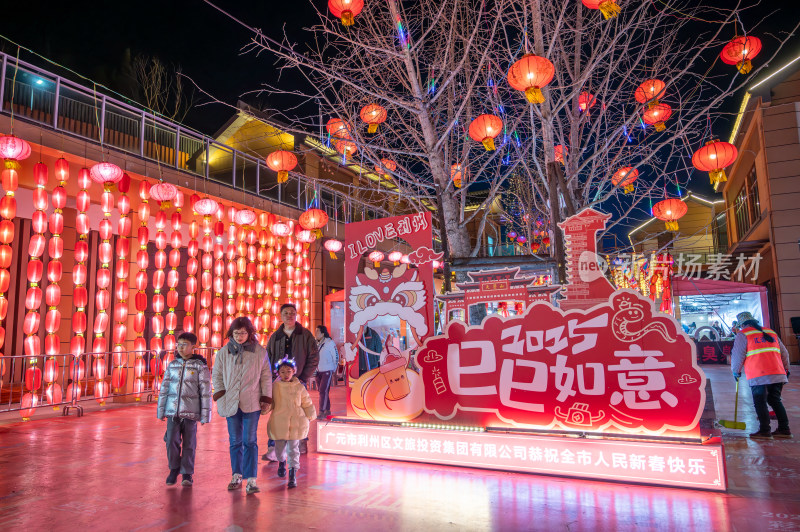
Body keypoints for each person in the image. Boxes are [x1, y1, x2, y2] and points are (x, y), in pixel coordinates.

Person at [211, 317, 273, 494]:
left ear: (250, 333)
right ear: (231, 333)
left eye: (243, 333)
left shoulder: (260, 352)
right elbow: (217, 373)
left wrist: (266, 398)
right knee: (235, 441)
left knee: (250, 440)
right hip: (231, 401)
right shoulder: (224, 352)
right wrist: (220, 391)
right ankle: (236, 475)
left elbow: (266, 376)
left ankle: (251, 479)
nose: (240, 336)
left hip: (251, 402)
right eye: (236, 333)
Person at [263, 303, 319, 459]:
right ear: (281, 316)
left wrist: (303, 378)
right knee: (278, 412)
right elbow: (268, 358)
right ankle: (273, 447)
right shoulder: (275, 336)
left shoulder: (305, 335)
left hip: (298, 380)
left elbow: (314, 357)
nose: (289, 315)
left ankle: (301, 441)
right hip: (279, 381)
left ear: (296, 315)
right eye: (286, 313)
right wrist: (273, 376)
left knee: (299, 410)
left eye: (292, 313)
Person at [157, 332, 211, 487]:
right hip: (172, 412)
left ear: (193, 346)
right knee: (171, 441)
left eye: (184, 344)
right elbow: (164, 389)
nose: (180, 347)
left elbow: (205, 391)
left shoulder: (200, 366)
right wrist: (161, 411)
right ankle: (174, 468)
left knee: (189, 444)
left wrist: (205, 415)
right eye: (178, 344)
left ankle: (187, 473)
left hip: (191, 413)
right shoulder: (172, 365)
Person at [731, 311, 792, 439]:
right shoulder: (770, 332)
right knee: (775, 401)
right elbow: (784, 353)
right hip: (778, 373)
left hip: (759, 374)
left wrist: (736, 371)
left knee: (760, 402)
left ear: (742, 325)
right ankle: (784, 429)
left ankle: (765, 430)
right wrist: (787, 369)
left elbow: (738, 355)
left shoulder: (743, 334)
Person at [266, 358, 316, 488]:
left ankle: (292, 474)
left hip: (296, 422)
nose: (286, 374)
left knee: (294, 450)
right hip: (279, 422)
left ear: (294, 371)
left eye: (288, 371)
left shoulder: (299, 387)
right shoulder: (275, 387)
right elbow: (271, 403)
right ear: (278, 373)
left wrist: (310, 413)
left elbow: (307, 402)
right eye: (282, 372)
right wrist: (264, 407)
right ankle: (282, 462)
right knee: (279, 449)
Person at [315, 325, 338, 419]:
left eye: (317, 331)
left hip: (327, 370)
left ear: (323, 333)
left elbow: (335, 356)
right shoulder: (315, 343)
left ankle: (321, 411)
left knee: (323, 390)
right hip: (318, 370)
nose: (315, 333)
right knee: (322, 391)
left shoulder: (329, 342)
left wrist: (334, 369)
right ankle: (327, 409)